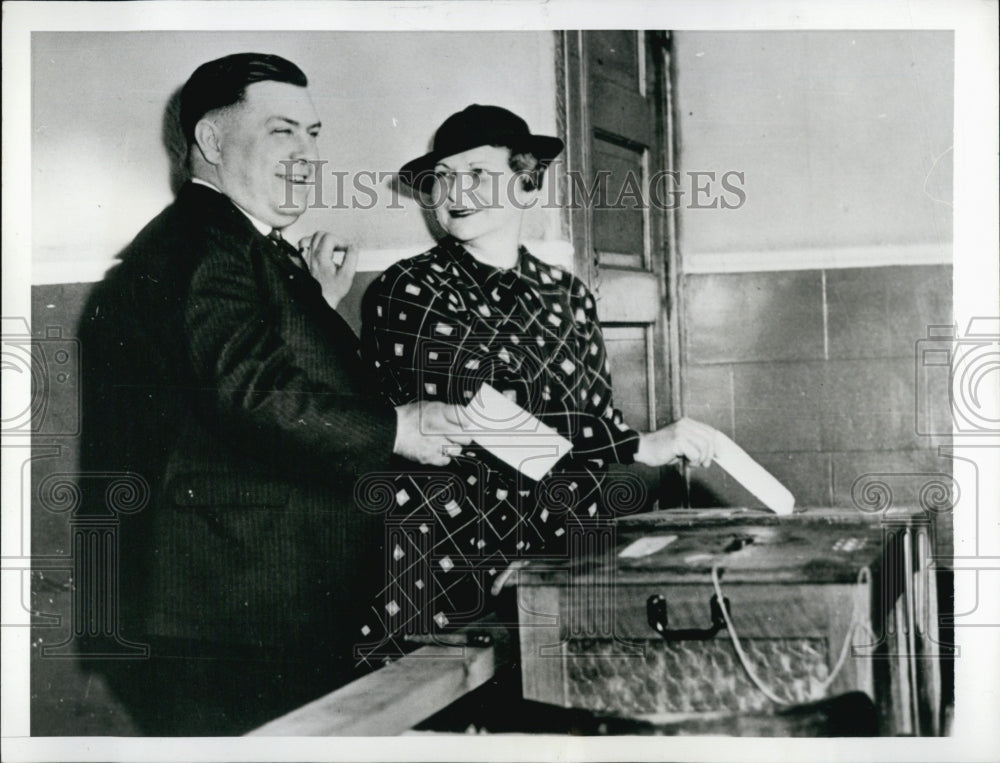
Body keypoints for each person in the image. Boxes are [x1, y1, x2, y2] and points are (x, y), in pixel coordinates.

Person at [79, 53, 469, 735]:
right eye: (282, 130)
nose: (307, 153)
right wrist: (397, 428)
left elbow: (232, 364)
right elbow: (249, 389)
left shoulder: (244, 243)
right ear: (211, 140)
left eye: (313, 134)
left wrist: (314, 300)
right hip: (229, 615)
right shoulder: (207, 245)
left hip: (247, 603)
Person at [357, 104, 720, 663]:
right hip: (448, 564)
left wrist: (576, 553)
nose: (456, 191)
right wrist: (642, 446)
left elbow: (596, 416)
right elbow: (484, 420)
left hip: (557, 555)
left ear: (526, 186)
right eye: (443, 177)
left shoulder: (567, 293)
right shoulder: (409, 289)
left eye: (478, 173)